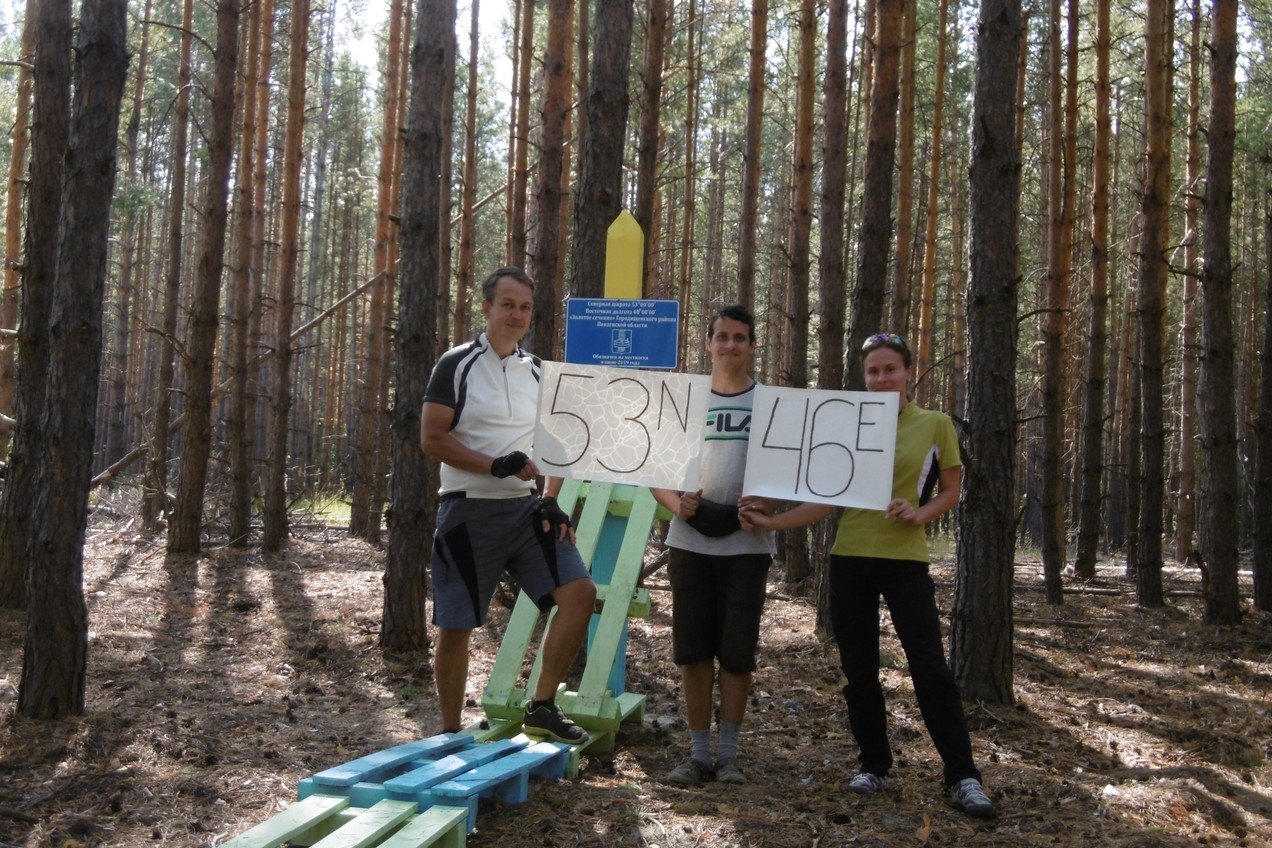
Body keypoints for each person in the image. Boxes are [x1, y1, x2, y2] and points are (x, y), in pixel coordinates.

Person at [740, 333, 994, 818]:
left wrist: (920, 515)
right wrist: (773, 522)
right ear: (865, 377)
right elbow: (825, 498)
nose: (881, 379)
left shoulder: (935, 424)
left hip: (905, 561)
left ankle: (963, 776)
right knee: (859, 670)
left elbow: (950, 490)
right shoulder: (847, 421)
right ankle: (874, 765)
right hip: (850, 558)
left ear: (907, 374)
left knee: (930, 668)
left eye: (890, 370)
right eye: (873, 371)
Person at [420, 267, 596, 744]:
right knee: (457, 625)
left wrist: (552, 502)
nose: (516, 315)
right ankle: (452, 730)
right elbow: (432, 438)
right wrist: (493, 465)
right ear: (487, 308)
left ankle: (542, 707)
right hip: (467, 510)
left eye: (524, 307)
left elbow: (559, 443)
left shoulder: (538, 371)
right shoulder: (455, 365)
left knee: (579, 595)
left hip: (526, 512)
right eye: (507, 305)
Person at [650, 304, 776, 787]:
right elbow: (650, 465)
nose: (729, 345)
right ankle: (698, 754)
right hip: (689, 540)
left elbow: (795, 472)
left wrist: (769, 502)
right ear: (708, 343)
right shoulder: (685, 399)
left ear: (751, 345)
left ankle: (730, 756)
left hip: (748, 543)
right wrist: (672, 504)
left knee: (738, 653)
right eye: (721, 336)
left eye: (739, 337)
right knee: (694, 650)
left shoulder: (771, 404)